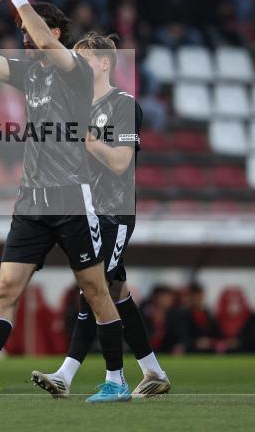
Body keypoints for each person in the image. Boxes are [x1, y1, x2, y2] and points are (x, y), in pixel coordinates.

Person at [0, 0, 129, 403]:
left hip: (71, 197)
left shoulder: (74, 69)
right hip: (31, 200)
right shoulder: (32, 73)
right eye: (19, 29)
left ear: (56, 31)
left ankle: (116, 380)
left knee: (96, 289)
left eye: (29, 28)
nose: (24, 35)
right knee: (6, 288)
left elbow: (42, 40)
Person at [31, 33, 170, 398]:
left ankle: (70, 374)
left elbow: (122, 162)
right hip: (85, 212)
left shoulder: (123, 104)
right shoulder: (73, 104)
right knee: (115, 292)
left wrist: (84, 138)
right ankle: (153, 370)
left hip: (114, 213)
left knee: (92, 290)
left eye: (86, 60)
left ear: (105, 63)